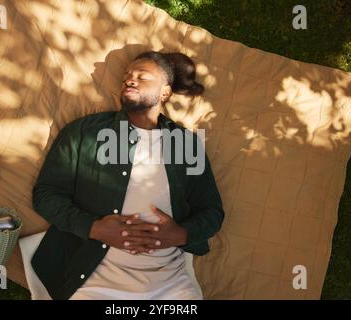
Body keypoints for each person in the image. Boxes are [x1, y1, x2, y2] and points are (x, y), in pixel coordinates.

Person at [31, 50, 225, 300]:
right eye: (126, 77)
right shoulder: (84, 132)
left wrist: (179, 234)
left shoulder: (186, 144)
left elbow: (211, 211)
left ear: (165, 92)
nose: (130, 80)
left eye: (142, 76)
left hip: (169, 284)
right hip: (93, 280)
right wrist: (95, 228)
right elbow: (46, 195)